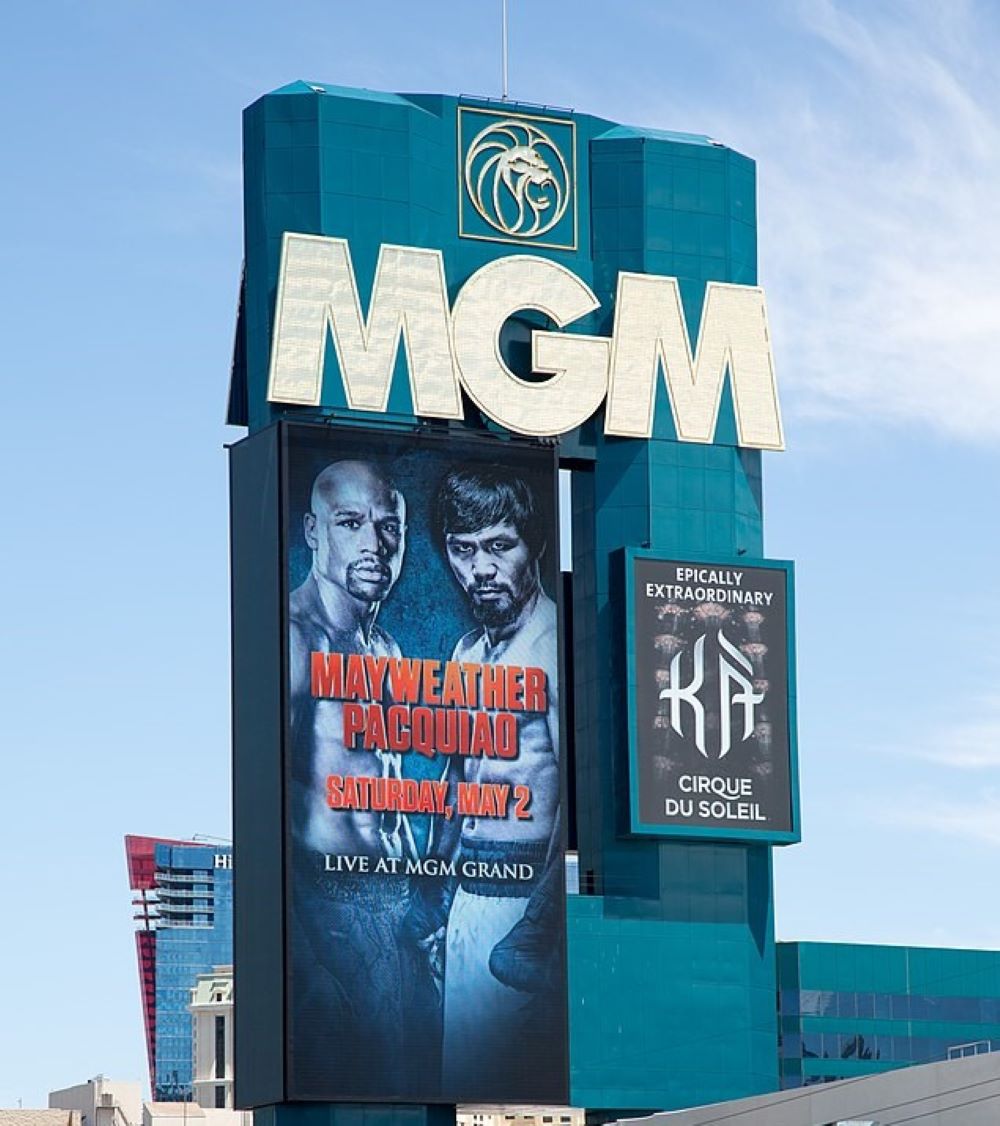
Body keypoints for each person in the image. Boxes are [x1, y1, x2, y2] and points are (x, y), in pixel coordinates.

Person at [287, 459, 436, 1095]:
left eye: (388, 526)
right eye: (351, 523)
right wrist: (303, 959)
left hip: (399, 911)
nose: (375, 544)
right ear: (312, 531)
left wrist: (425, 905)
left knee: (426, 1080)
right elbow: (270, 814)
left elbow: (392, 798)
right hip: (331, 911)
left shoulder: (387, 651)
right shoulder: (295, 641)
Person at [430, 465, 565, 1099]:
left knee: (513, 1100)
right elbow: (457, 782)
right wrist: (436, 897)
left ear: (533, 544)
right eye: (463, 550)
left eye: (498, 546)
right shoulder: (465, 653)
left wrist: (537, 927)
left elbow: (576, 803)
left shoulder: (553, 645)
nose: (480, 568)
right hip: (468, 898)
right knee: (460, 1086)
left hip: (525, 903)